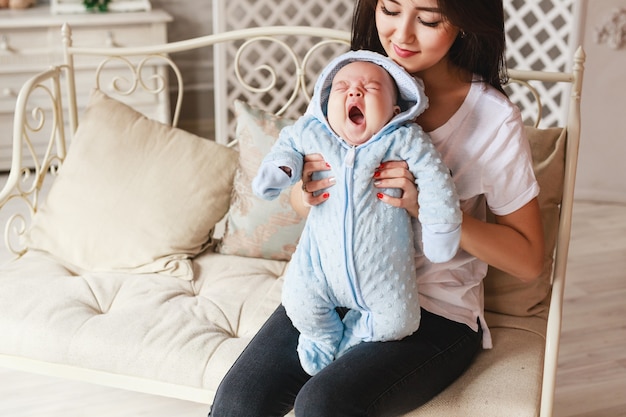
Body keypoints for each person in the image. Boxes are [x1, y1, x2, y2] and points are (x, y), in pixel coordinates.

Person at [209, 0, 545, 415]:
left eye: (428, 19)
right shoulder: (351, 81)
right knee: (239, 401)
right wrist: (306, 192)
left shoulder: (491, 118)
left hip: (434, 312)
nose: (401, 34)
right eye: (389, 9)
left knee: (324, 404)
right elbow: (305, 196)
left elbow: (529, 259)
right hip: (333, 293)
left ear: (464, 21)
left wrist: (428, 207)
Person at [251, 50, 461, 377]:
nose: (355, 92)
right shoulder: (312, 132)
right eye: (342, 87)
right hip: (317, 266)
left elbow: (434, 176)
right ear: (325, 105)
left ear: (395, 110)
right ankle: (324, 336)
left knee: (401, 320)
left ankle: (354, 335)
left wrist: (440, 226)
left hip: (384, 276)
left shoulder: (403, 139)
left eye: (371, 88)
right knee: (298, 303)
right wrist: (279, 171)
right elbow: (287, 145)